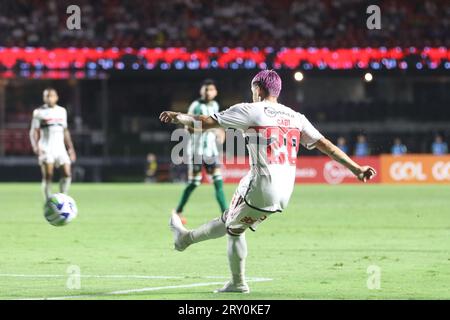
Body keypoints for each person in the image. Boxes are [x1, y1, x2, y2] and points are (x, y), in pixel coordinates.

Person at [159, 70, 376, 293]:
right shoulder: (296, 117)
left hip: (263, 184)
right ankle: (186, 240)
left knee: (233, 227)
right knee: (233, 222)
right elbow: (327, 146)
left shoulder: (250, 110)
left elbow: (204, 122)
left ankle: (232, 278)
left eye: (253, 88)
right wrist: (357, 169)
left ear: (258, 89)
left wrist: (178, 116)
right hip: (285, 190)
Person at [174, 79, 228, 224]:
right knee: (194, 182)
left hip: (211, 151)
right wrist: (212, 129)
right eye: (205, 89)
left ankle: (226, 213)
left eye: (210, 89)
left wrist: (221, 132)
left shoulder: (215, 105)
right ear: (201, 91)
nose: (207, 92)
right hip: (196, 151)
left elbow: (217, 124)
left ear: (215, 92)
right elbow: (188, 127)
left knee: (218, 181)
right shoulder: (196, 106)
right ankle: (178, 210)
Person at [29, 88, 76, 201]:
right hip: (46, 147)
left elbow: (65, 131)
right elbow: (34, 131)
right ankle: (48, 201)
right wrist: (35, 147)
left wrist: (71, 148)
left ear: (56, 97)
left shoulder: (62, 111)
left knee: (67, 173)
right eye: (47, 96)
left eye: (52, 96)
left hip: (60, 148)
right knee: (48, 175)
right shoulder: (39, 112)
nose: (49, 98)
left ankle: (62, 199)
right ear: (44, 98)